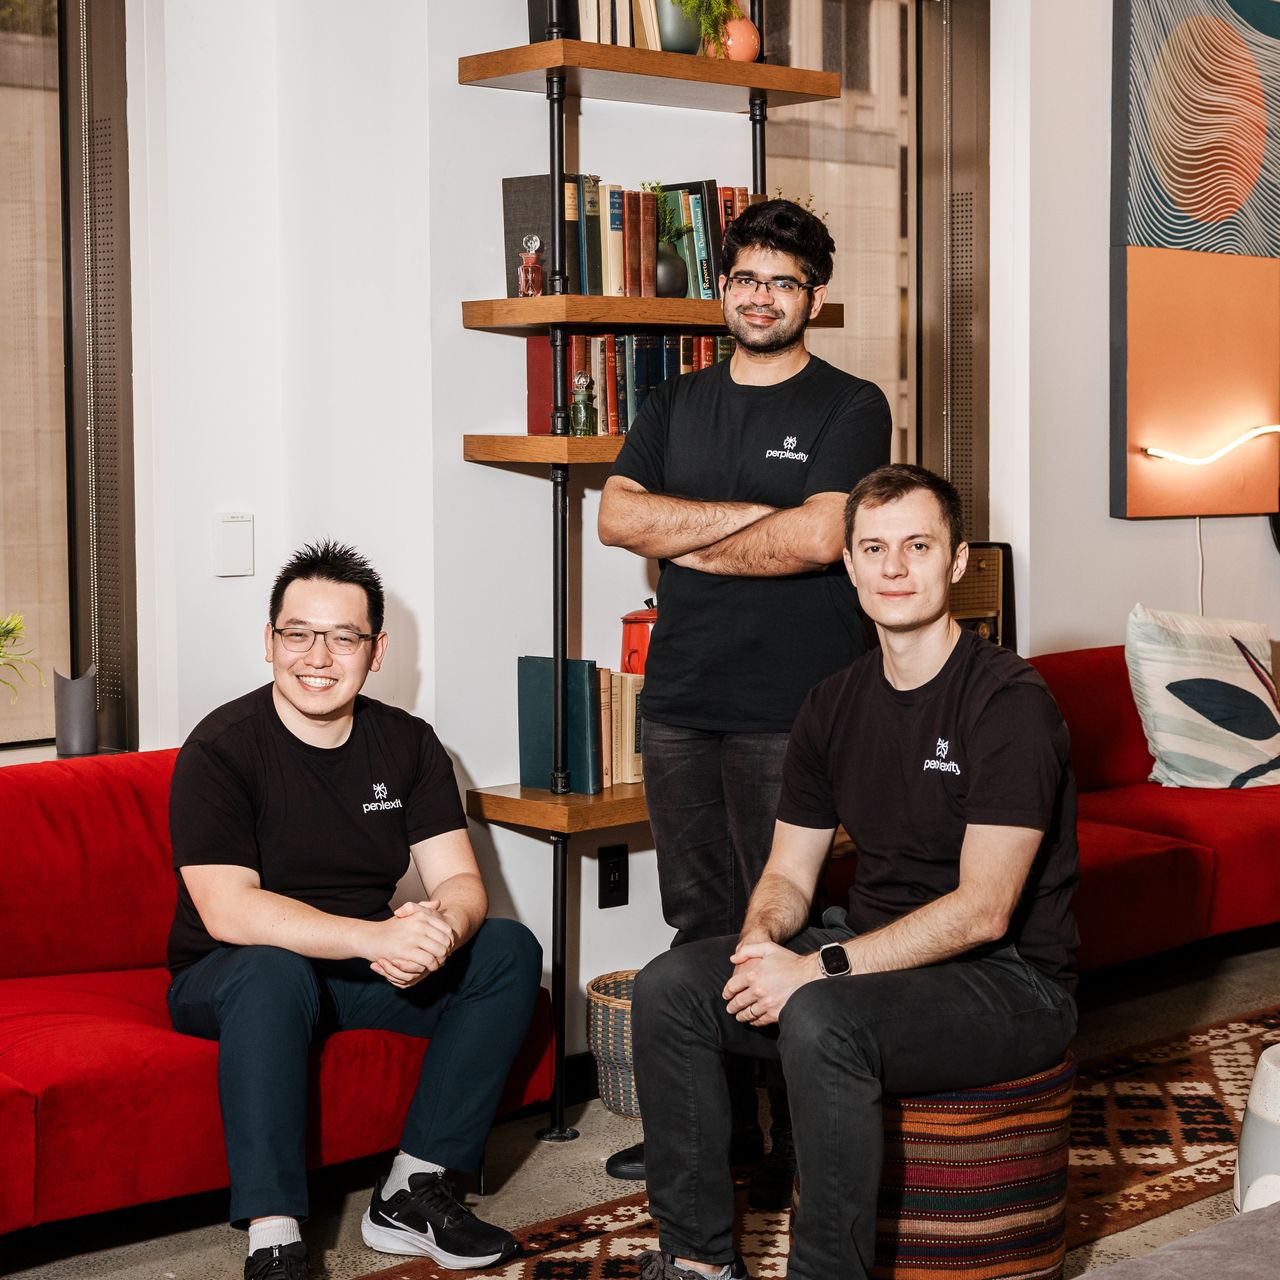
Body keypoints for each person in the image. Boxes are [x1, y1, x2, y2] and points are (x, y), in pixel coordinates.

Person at [631, 465, 1080, 1280]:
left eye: (917, 546)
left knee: (820, 1019)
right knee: (670, 987)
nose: (894, 568)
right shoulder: (832, 704)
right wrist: (762, 945)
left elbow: (983, 911)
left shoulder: (1009, 701)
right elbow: (789, 872)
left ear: (957, 562)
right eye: (873, 548)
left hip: (1011, 982)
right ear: (849, 564)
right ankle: (697, 1262)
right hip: (873, 952)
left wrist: (813, 970)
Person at [597, 198, 892, 1196]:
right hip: (677, 699)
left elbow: (818, 538)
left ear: (813, 295)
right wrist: (752, 530)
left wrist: (680, 535)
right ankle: (714, 1136)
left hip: (790, 706)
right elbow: (614, 516)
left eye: (782, 280)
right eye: (745, 277)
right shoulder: (674, 403)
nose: (760, 296)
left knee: (786, 928)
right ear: (721, 288)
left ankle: (804, 1139)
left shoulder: (850, 405)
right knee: (696, 926)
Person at [166, 541, 541, 1280]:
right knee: (273, 972)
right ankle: (275, 1238)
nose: (318, 656)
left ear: (377, 651)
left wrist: (439, 931)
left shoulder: (407, 744)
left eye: (343, 637)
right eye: (298, 633)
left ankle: (411, 1189)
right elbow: (229, 911)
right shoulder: (221, 748)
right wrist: (375, 936)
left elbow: (462, 882)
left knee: (507, 951)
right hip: (232, 977)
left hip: (352, 972)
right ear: (270, 641)